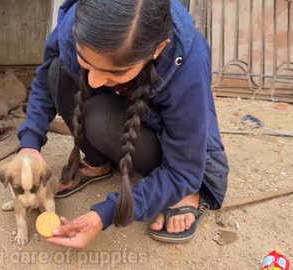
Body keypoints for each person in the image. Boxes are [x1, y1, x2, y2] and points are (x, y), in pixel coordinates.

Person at [16, 0, 229, 248]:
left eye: (116, 72)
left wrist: (105, 214)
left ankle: (185, 195)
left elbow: (184, 168)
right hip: (123, 105)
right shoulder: (78, 22)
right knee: (58, 70)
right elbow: (44, 78)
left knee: (99, 118)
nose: (94, 82)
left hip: (161, 137)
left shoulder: (187, 63)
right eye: (86, 61)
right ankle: (98, 162)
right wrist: (29, 144)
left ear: (159, 49)